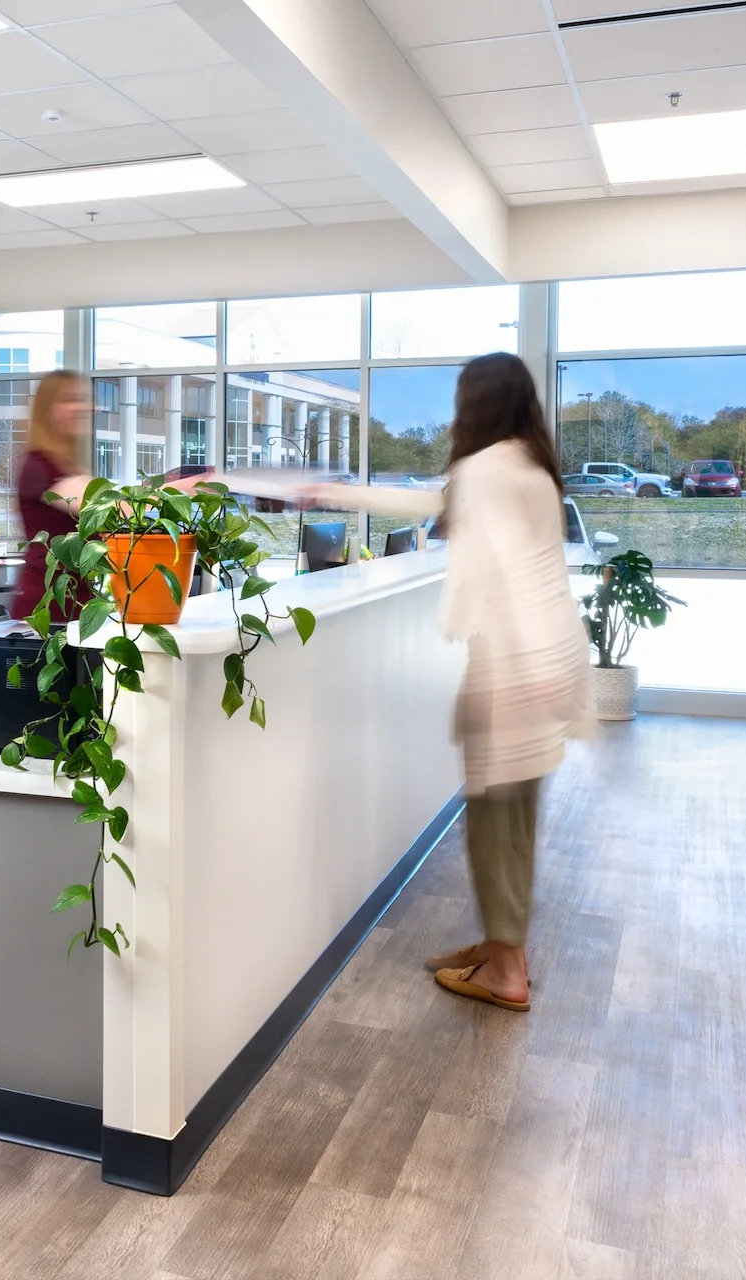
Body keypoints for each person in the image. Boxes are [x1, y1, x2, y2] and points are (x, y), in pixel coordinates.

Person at [304, 353, 588, 1012]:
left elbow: (473, 538)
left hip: (515, 666)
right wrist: (335, 492)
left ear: (476, 405)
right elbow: (435, 504)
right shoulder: (529, 468)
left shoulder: (486, 471)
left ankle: (506, 970)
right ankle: (501, 946)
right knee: (511, 817)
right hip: (547, 661)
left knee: (494, 822)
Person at [11, 370, 95, 623]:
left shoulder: (69, 466)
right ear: (47, 410)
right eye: (69, 400)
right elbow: (108, 507)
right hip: (47, 607)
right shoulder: (39, 467)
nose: (81, 407)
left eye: (82, 399)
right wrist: (182, 487)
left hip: (77, 602)